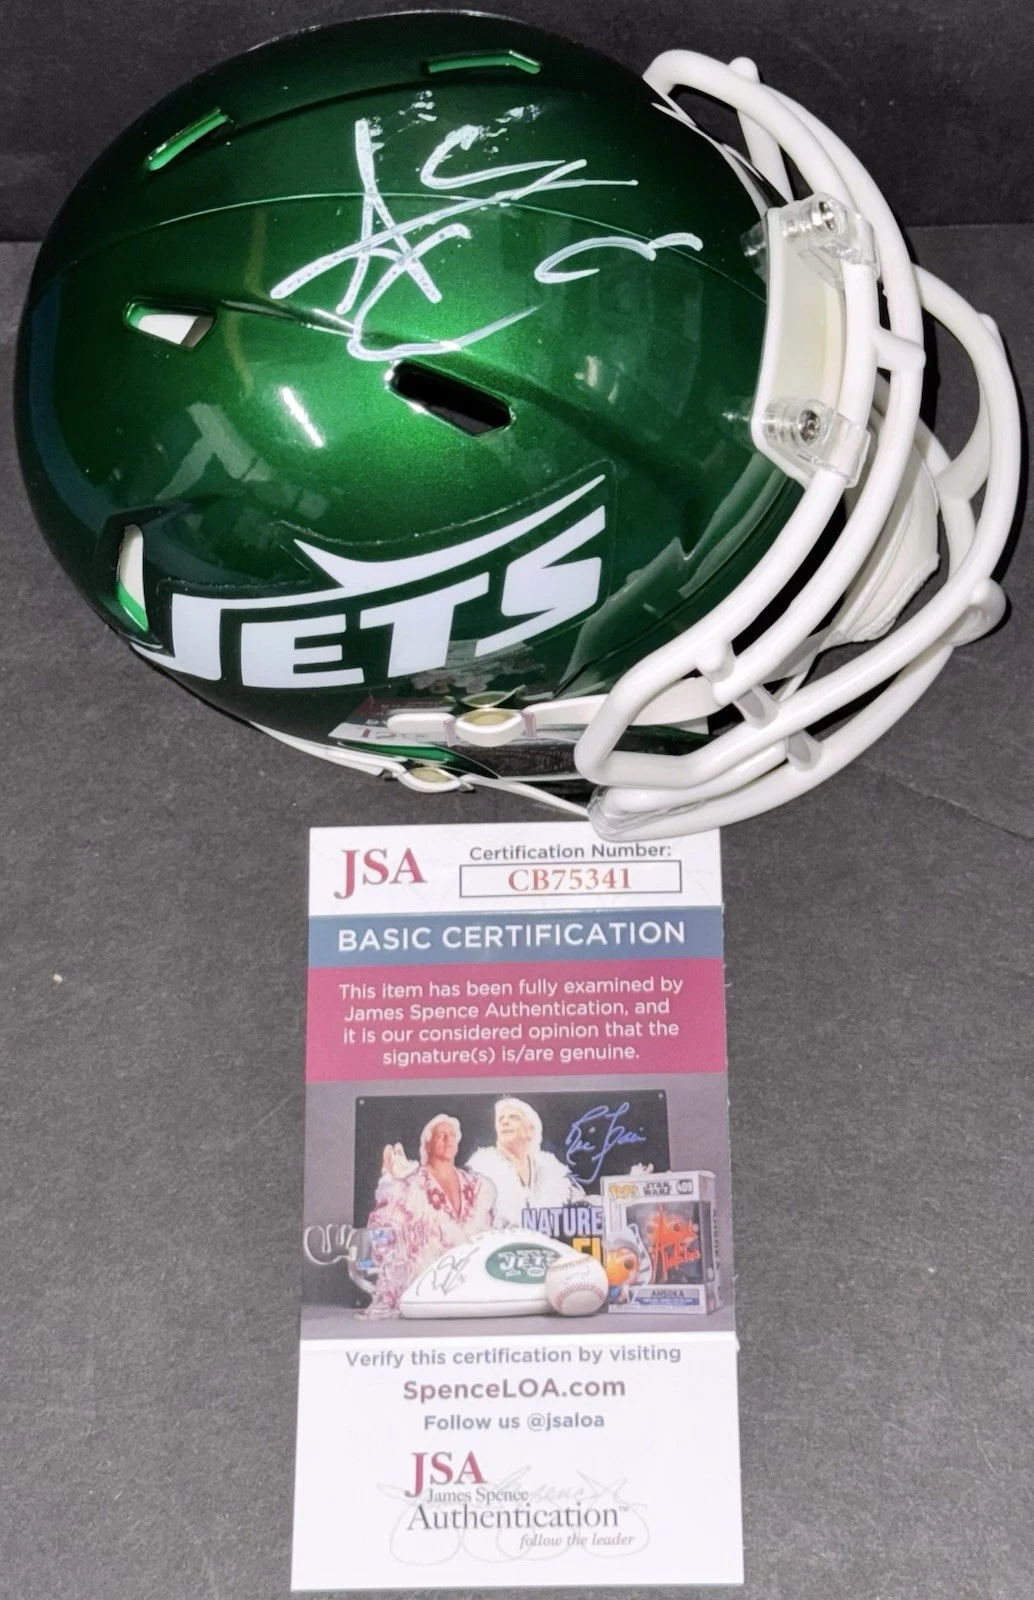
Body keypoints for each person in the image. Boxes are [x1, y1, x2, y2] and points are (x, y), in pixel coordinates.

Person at [364, 1114, 496, 1314]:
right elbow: (380, 1232)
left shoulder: (477, 1186)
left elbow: (489, 1236)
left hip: (468, 1292)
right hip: (422, 1291)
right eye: (441, 1135)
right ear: (428, 1144)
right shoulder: (409, 1183)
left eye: (452, 1135)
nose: (448, 1140)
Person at [467, 1097, 584, 1226]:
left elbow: (581, 1203)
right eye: (500, 1119)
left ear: (530, 1130)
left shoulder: (551, 1169)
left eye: (513, 1117)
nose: (505, 1122)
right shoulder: (481, 1168)